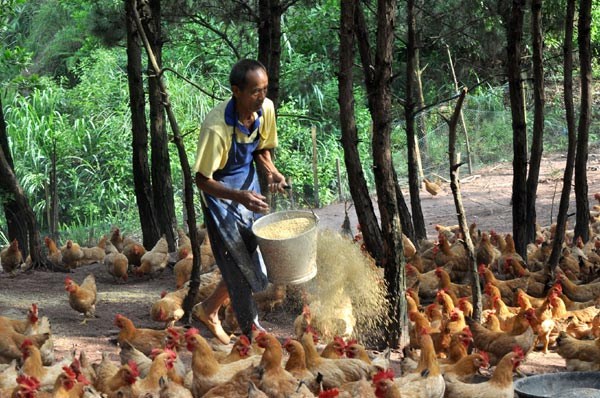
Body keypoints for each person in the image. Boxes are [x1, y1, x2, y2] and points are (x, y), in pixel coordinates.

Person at [192, 59, 287, 344]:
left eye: (265, 89)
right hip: (220, 196)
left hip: (248, 187)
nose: (262, 96)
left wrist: (273, 173)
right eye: (255, 91)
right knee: (238, 264)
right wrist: (239, 197)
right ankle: (252, 331)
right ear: (236, 90)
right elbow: (201, 180)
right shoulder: (216, 127)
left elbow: (261, 149)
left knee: (256, 260)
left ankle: (207, 310)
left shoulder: (265, 109)